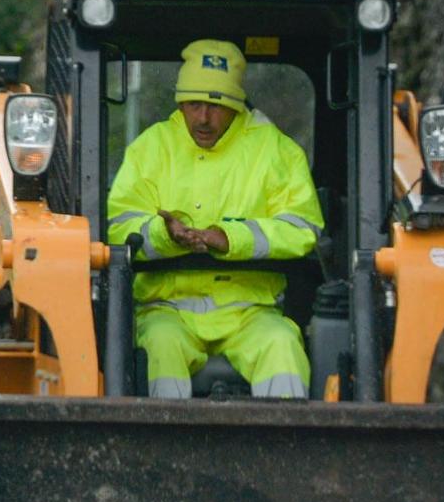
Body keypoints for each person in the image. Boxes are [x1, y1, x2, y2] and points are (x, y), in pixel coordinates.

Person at [105, 39, 324, 400]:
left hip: (251, 312)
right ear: (179, 102)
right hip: (166, 312)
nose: (203, 118)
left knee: (282, 343)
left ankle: (287, 453)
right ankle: (162, 452)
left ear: (236, 106)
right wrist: (164, 235)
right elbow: (118, 227)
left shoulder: (276, 150)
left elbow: (303, 229)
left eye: (215, 105)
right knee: (159, 347)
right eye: (193, 104)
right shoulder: (150, 148)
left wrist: (228, 237)